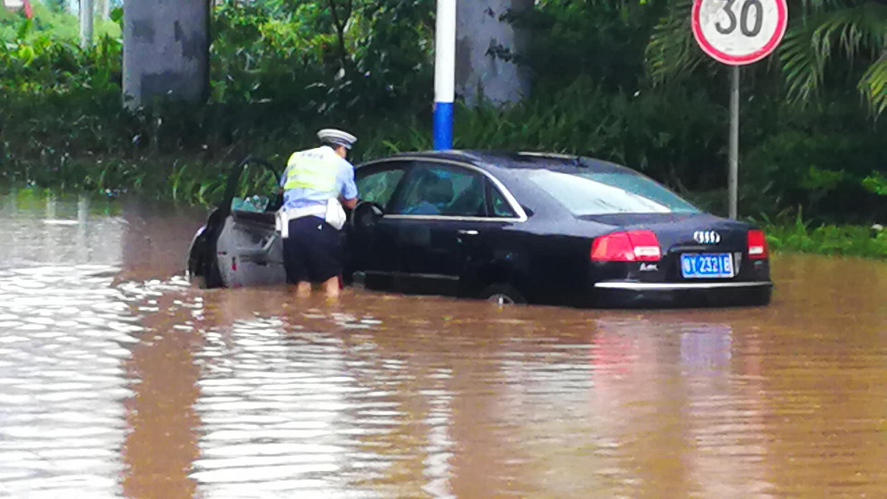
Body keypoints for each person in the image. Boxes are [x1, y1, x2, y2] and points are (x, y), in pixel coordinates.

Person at [277, 129, 359, 298]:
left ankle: (300, 318)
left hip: (291, 226)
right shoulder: (340, 164)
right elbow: (351, 202)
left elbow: (282, 188)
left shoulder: (296, 158)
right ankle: (331, 320)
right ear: (340, 147)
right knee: (330, 280)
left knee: (302, 281)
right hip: (319, 225)